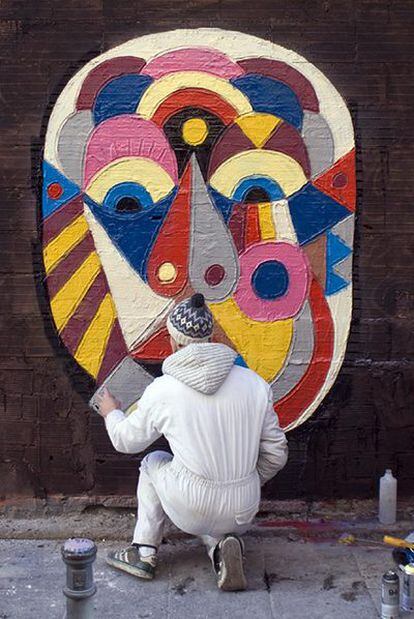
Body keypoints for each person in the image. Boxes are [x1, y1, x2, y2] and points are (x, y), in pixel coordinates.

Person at [97, 293, 288, 591]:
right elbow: (277, 453)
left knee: (152, 463)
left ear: (174, 342)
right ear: (212, 337)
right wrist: (246, 480)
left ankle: (143, 553)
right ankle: (220, 550)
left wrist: (111, 413)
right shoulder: (254, 384)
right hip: (244, 508)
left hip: (191, 507)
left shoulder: (163, 390)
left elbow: (126, 441)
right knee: (213, 494)